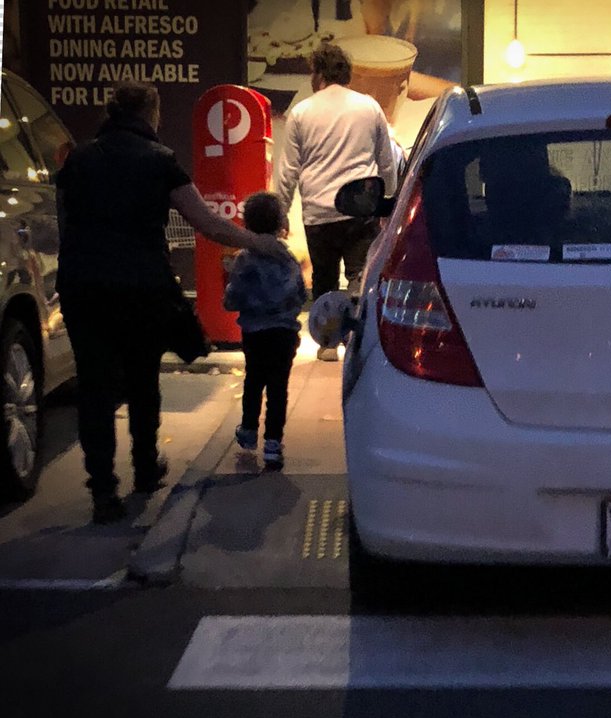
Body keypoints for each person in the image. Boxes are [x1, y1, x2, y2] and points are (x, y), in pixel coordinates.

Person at [56, 81, 292, 524]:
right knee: (144, 378)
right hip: (139, 285)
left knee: (95, 384)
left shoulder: (80, 158)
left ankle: (103, 491)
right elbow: (207, 224)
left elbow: (64, 219)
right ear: (152, 113)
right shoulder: (159, 161)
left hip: (82, 285)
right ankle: (146, 469)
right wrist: (257, 243)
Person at [277, 42, 398, 361]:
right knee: (360, 273)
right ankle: (359, 341)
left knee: (325, 277)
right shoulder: (369, 107)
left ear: (317, 74)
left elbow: (288, 169)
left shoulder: (301, 112)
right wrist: (388, 203)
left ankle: (328, 343)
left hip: (319, 210)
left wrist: (279, 212)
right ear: (346, 74)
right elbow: (387, 162)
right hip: (361, 206)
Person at [224, 192, 307, 470]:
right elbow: (299, 294)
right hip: (283, 333)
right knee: (278, 387)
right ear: (280, 223)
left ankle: (248, 431)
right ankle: (273, 444)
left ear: (246, 223)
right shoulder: (289, 259)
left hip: (254, 332)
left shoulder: (244, 260)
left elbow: (233, 298)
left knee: (254, 380)